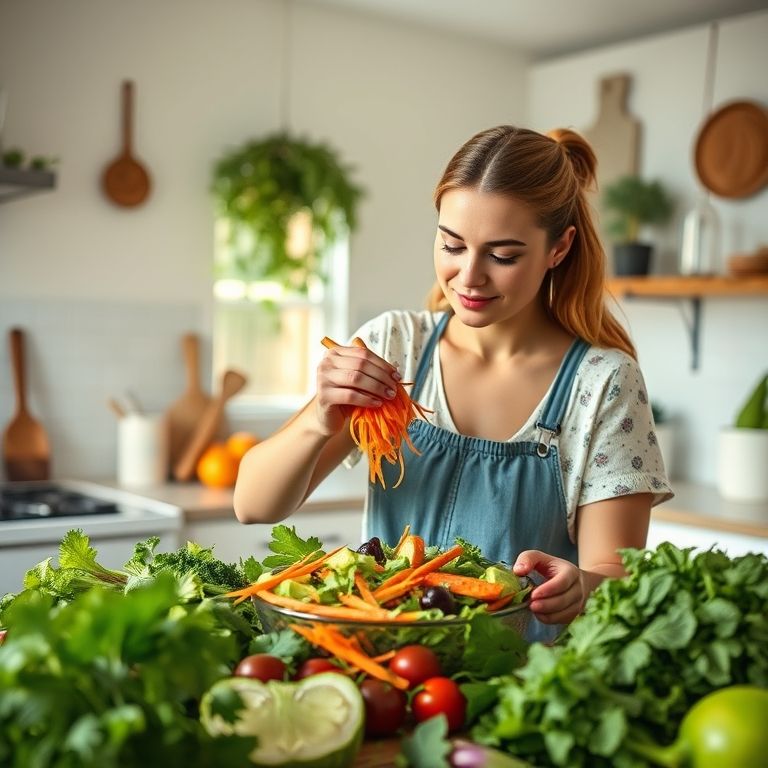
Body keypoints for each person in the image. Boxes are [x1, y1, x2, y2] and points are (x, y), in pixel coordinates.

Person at [234, 125, 673, 641]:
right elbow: (253, 506)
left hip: (520, 687)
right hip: (389, 664)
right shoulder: (394, 346)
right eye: (452, 244)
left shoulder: (602, 383)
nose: (469, 276)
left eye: (502, 255)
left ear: (559, 248)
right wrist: (318, 418)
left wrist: (583, 586)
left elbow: (617, 575)